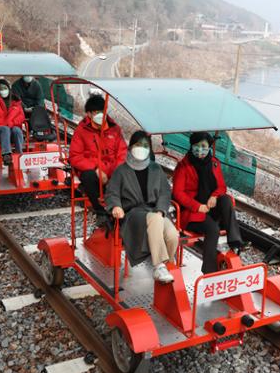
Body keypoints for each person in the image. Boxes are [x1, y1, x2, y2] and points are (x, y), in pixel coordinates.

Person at [105, 131, 179, 283]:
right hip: (133, 214)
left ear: (150, 149)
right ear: (131, 146)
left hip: (154, 211)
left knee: (172, 235)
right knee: (155, 219)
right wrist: (116, 207)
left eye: (146, 146)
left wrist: (160, 209)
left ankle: (167, 264)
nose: (142, 148)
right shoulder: (121, 170)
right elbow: (112, 192)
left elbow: (165, 193)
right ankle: (158, 266)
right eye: (138, 145)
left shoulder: (155, 169)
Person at [173, 132, 243, 274]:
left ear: (209, 147)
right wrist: (197, 206)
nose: (200, 149)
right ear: (192, 146)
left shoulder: (214, 163)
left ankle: (235, 242)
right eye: (197, 146)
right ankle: (209, 271)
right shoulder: (183, 166)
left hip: (210, 208)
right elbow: (178, 193)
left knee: (226, 199)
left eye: (204, 146)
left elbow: (222, 187)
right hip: (192, 213)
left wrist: (214, 196)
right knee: (213, 230)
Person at [69, 94, 127, 218]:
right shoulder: (81, 131)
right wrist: (97, 169)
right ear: (89, 114)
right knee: (88, 176)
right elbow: (75, 157)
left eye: (102, 111)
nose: (100, 115)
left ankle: (125, 209)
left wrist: (114, 172)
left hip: (112, 170)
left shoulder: (115, 129)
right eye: (96, 112)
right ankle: (101, 212)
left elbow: (122, 153)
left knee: (126, 174)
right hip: (93, 171)